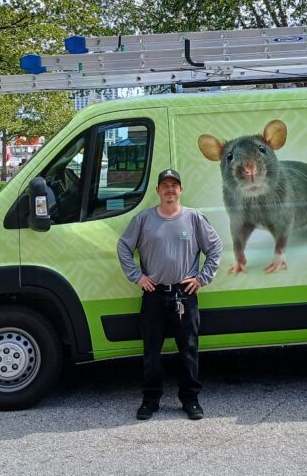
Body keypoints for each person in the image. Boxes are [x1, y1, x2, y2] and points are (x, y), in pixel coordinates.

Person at [117, 168, 222, 421]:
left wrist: (202, 278)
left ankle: (190, 399)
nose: (170, 189)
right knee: (151, 352)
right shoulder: (144, 219)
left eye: (174, 185)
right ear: (157, 191)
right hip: (154, 295)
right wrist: (137, 276)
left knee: (188, 350)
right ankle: (150, 399)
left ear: (181, 190)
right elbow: (123, 246)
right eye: (165, 185)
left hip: (184, 295)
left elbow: (215, 247)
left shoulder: (194, 218)